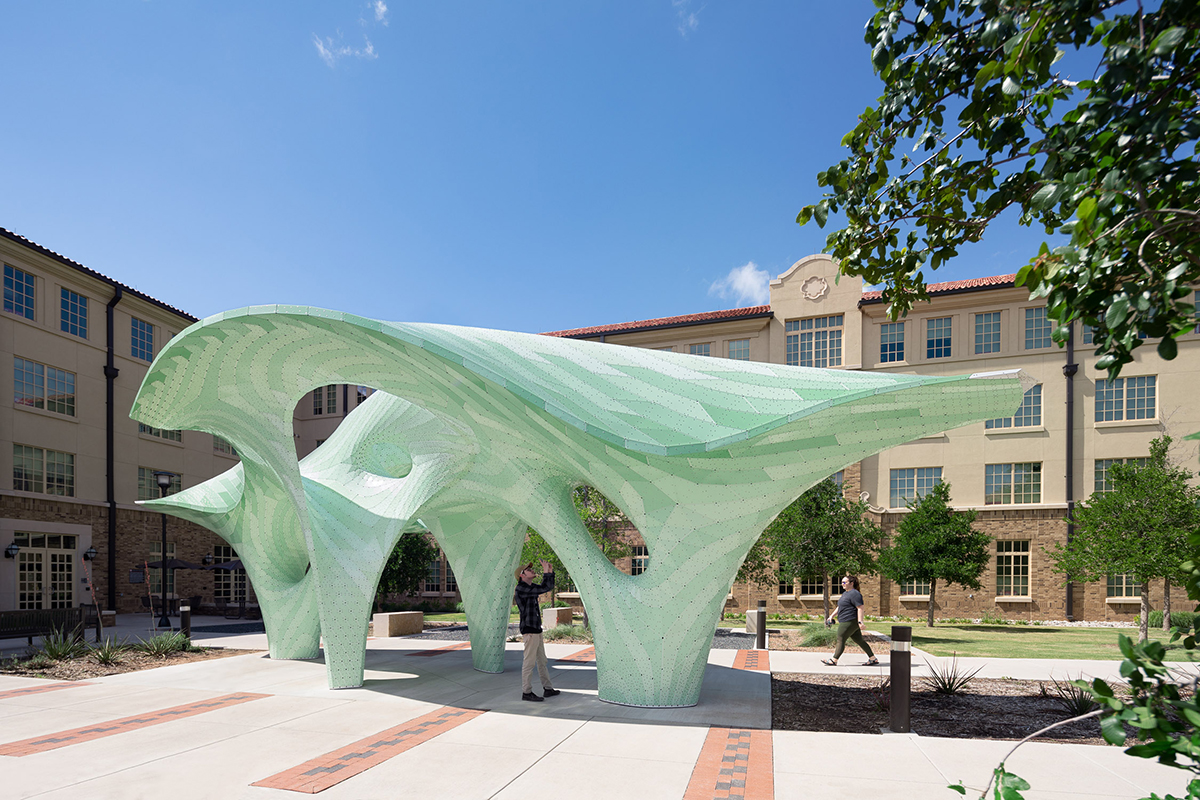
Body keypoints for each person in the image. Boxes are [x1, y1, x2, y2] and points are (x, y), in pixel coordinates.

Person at [514, 558, 561, 701]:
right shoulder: (522, 588)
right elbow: (544, 588)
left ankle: (548, 689)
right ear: (522, 576)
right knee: (529, 663)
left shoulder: (530, 587)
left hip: (536, 630)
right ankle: (526, 692)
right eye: (528, 570)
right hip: (530, 631)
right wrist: (546, 571)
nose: (532, 570)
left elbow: (547, 586)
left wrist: (549, 571)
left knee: (542, 661)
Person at [821, 575, 879, 666]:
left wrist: (860, 621)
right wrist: (831, 616)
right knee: (859, 640)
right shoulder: (846, 594)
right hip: (848, 620)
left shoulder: (855, 594)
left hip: (849, 621)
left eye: (844, 582)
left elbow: (860, 608)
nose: (842, 584)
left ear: (851, 583)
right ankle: (873, 658)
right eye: (842, 582)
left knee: (840, 639)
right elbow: (840, 607)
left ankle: (834, 660)